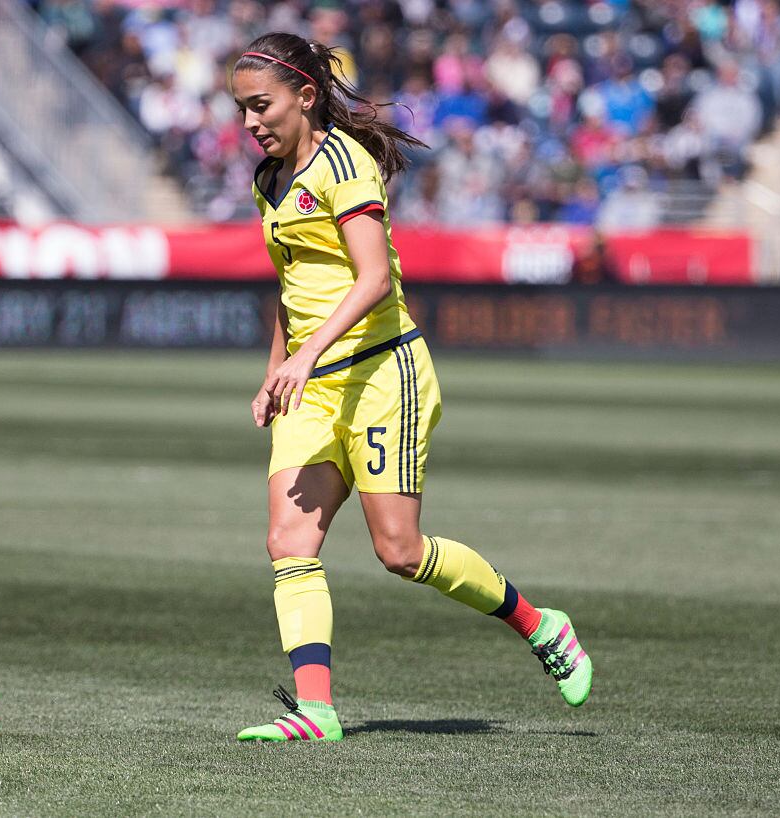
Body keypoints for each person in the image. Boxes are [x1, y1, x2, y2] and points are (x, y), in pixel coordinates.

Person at [231, 32, 593, 743]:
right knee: (288, 540)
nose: (250, 123)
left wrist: (306, 359)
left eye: (261, 106)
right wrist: (278, 369)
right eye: (241, 109)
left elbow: (373, 281)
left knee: (400, 552)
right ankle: (316, 713)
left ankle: (540, 624)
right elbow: (291, 286)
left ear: (306, 96)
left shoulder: (346, 164)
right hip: (313, 382)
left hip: (380, 373)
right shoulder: (266, 178)